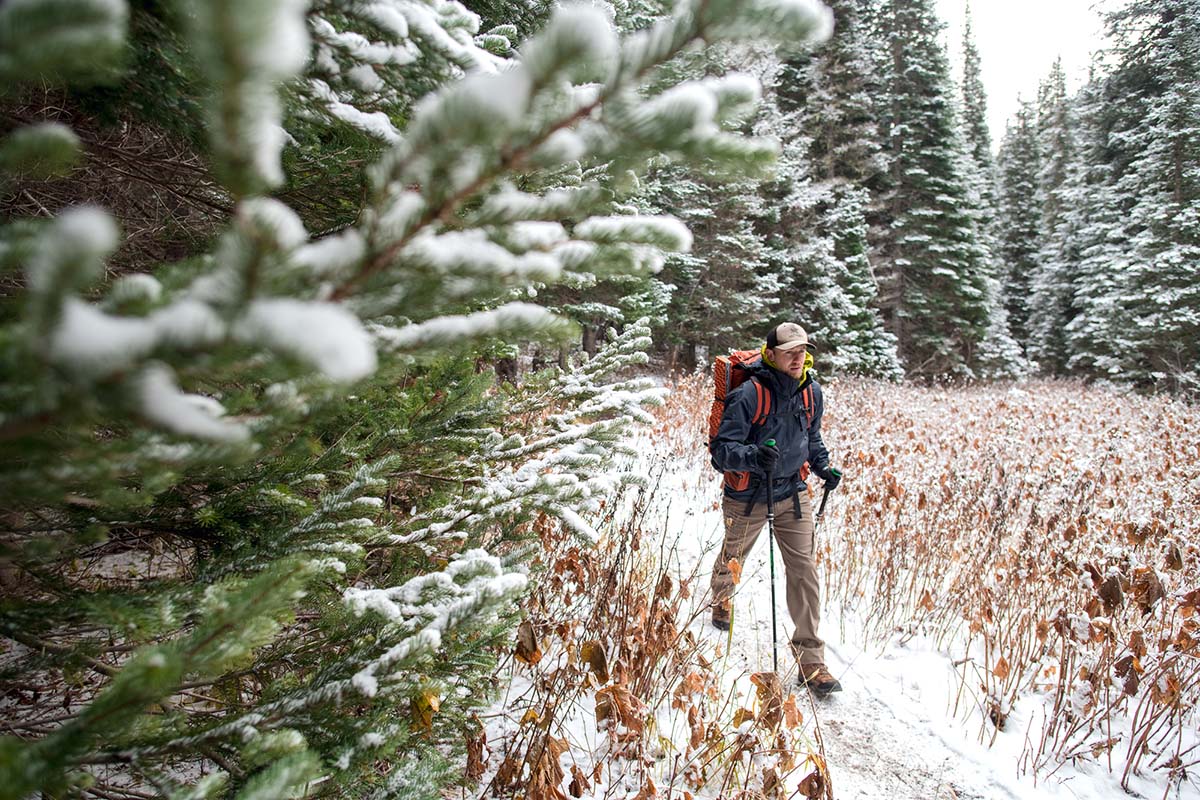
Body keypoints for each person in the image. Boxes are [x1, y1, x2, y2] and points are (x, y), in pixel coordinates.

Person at [708, 322, 844, 696]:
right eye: (790, 351)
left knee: (804, 571)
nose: (798, 357)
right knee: (734, 555)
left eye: (802, 350)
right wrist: (754, 456)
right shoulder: (749, 395)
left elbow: (810, 438)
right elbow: (721, 452)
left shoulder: (811, 392)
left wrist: (823, 467)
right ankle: (721, 599)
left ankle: (812, 662)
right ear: (772, 354)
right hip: (748, 494)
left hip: (793, 493)